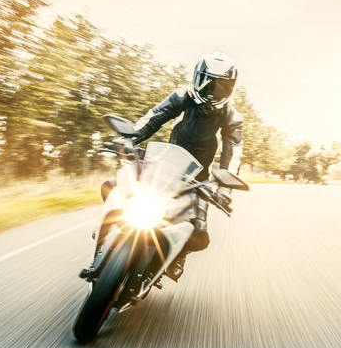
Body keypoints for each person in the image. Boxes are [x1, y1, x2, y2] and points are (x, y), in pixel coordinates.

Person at [102, 52, 244, 281]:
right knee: (111, 186)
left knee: (199, 235)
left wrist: (224, 187)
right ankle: (109, 230)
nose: (212, 91)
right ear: (197, 78)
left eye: (220, 86)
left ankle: (178, 254)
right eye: (207, 82)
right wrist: (129, 139)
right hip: (162, 164)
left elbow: (233, 152)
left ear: (231, 88)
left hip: (198, 178)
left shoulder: (231, 116)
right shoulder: (181, 97)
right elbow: (153, 118)